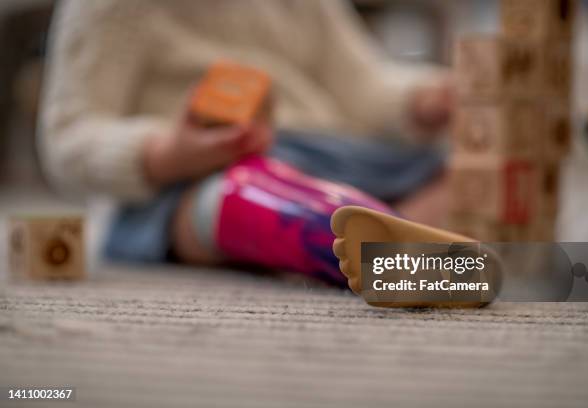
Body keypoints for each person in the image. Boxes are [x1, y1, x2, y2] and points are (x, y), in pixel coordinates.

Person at [39, 0, 454, 284]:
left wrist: (422, 100)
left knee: (462, 171)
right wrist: (166, 154)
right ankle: (375, 251)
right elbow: (69, 136)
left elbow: (361, 84)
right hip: (192, 176)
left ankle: (400, 245)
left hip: (331, 151)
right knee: (225, 197)